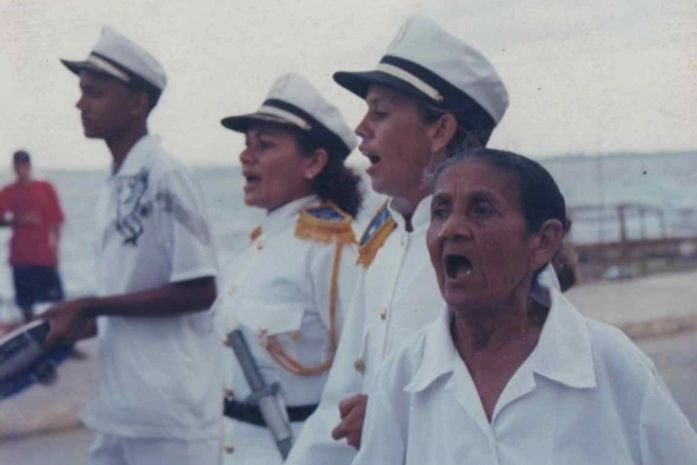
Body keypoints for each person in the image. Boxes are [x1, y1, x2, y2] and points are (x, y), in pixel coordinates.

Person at [287, 15, 558, 465]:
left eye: (380, 112)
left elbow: (536, 403)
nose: (360, 128)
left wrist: (397, 416)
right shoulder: (387, 237)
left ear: (439, 131)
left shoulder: (500, 255)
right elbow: (341, 400)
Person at [352, 148, 697, 465]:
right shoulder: (404, 374)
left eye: (481, 209)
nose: (451, 229)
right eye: (441, 211)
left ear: (543, 241)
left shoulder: (609, 362)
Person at [42, 27, 222, 465]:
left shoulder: (166, 175)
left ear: (138, 103)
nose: (80, 103)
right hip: (119, 408)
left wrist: (93, 306)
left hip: (171, 416)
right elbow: (128, 297)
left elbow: (200, 290)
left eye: (95, 93)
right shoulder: (115, 182)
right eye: (82, 92)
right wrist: (54, 324)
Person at [215, 73, 362, 463]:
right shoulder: (258, 248)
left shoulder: (333, 251)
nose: (246, 156)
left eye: (264, 146)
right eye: (246, 145)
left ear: (314, 162)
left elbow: (363, 381)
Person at [0, 150, 65, 321]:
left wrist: (56, 252)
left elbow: (57, 222)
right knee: (26, 308)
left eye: (23, 166)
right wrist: (18, 221)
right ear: (13, 168)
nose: (20, 170)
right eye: (17, 167)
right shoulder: (9, 191)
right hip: (20, 259)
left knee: (57, 304)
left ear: (29, 166)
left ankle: (57, 342)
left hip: (44, 257)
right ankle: (32, 341)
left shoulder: (45, 189)